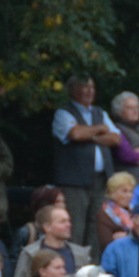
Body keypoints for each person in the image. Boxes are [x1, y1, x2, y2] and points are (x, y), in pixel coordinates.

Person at [52, 74, 118, 247]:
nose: (90, 91)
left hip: (100, 179)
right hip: (74, 181)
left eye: (92, 87)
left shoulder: (100, 112)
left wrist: (90, 136)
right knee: (75, 225)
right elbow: (75, 134)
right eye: (85, 86)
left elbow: (116, 139)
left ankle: (92, 268)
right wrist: (99, 130)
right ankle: (73, 265)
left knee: (96, 226)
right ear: (73, 90)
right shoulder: (63, 113)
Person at [11, 204, 89, 277]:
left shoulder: (80, 254)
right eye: (62, 221)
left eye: (69, 221)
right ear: (47, 227)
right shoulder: (30, 253)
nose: (68, 225)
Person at [107, 91, 139, 183]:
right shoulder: (115, 130)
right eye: (130, 108)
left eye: (137, 107)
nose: (135, 111)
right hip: (130, 183)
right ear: (119, 111)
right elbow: (129, 156)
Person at [94, 171, 138, 250]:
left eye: (131, 191)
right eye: (124, 191)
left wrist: (126, 236)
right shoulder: (104, 214)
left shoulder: (134, 211)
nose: (129, 195)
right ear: (112, 192)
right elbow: (106, 243)